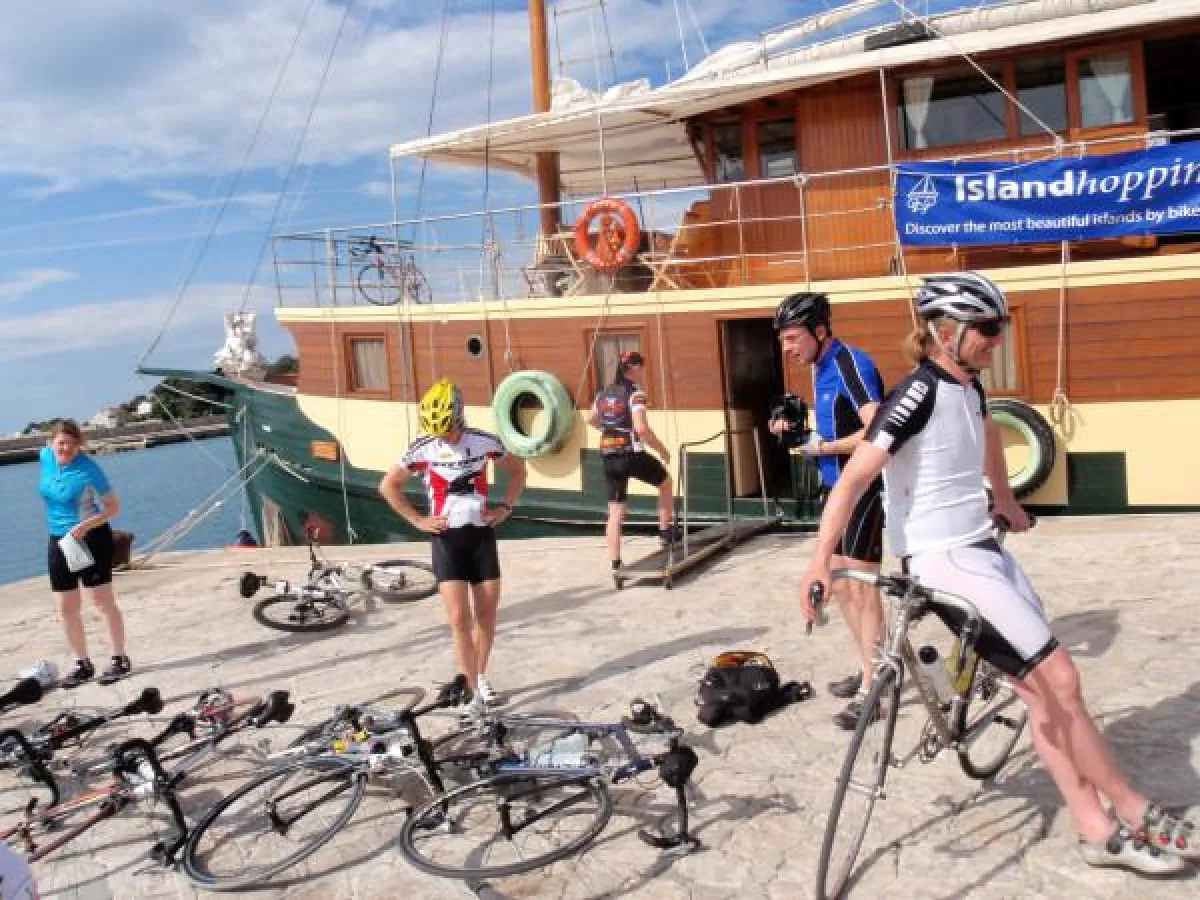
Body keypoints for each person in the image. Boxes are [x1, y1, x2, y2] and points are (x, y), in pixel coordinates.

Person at [798, 271, 1196, 875]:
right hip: (940, 561)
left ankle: (1095, 830)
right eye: (986, 328)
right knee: (1060, 679)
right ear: (943, 331)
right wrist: (819, 562)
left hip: (982, 547)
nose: (996, 338)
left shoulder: (972, 387)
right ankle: (1132, 808)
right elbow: (854, 479)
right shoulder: (915, 394)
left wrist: (1005, 498)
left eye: (1000, 326)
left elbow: (983, 431)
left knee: (1041, 691)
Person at [769, 292, 886, 731]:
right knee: (838, 585)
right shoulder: (820, 367)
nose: (787, 348)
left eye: (794, 338)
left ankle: (876, 686)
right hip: (836, 489)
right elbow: (838, 425)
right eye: (784, 341)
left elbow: (877, 428)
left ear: (820, 331)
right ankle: (871, 664)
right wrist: (797, 432)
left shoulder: (850, 364)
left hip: (864, 489)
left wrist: (825, 447)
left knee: (861, 588)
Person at [379, 378, 527, 721]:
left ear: (459, 419)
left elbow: (518, 471)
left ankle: (480, 677)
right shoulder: (424, 447)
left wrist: (504, 508)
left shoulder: (484, 442)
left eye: (447, 430)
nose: (444, 437)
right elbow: (388, 486)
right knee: (460, 619)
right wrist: (418, 520)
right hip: (447, 541)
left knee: (487, 617)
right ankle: (471, 688)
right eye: (438, 431)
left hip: (481, 537)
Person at [38, 420, 130, 688]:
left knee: (101, 600)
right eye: (60, 443)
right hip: (58, 540)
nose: (64, 448)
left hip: (91, 537)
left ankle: (119, 657)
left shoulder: (90, 471)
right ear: (50, 443)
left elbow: (113, 508)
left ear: (79, 444)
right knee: (65, 608)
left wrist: (86, 525)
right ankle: (82, 663)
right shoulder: (45, 458)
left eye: (70, 443)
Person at [587, 350, 677, 572]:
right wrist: (663, 451)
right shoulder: (635, 394)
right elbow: (641, 429)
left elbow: (591, 419)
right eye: (641, 366)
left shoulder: (603, 393)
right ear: (634, 368)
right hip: (631, 453)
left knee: (615, 512)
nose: (643, 370)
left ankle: (616, 562)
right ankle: (665, 533)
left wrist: (607, 427)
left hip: (608, 454)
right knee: (665, 483)